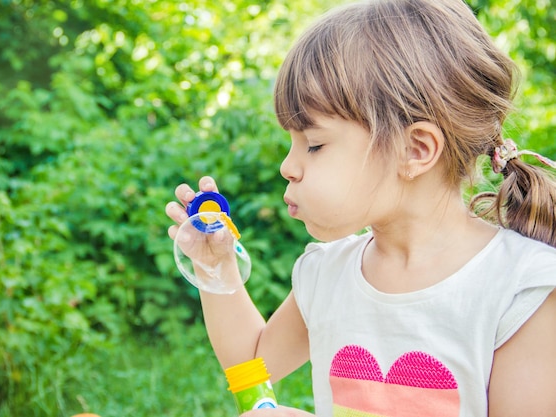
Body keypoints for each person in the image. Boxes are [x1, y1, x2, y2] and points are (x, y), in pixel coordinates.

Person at [165, 0, 556, 415]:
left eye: (314, 144)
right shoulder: (327, 275)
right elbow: (252, 365)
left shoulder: (520, 290)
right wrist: (216, 268)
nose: (287, 166)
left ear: (415, 149)